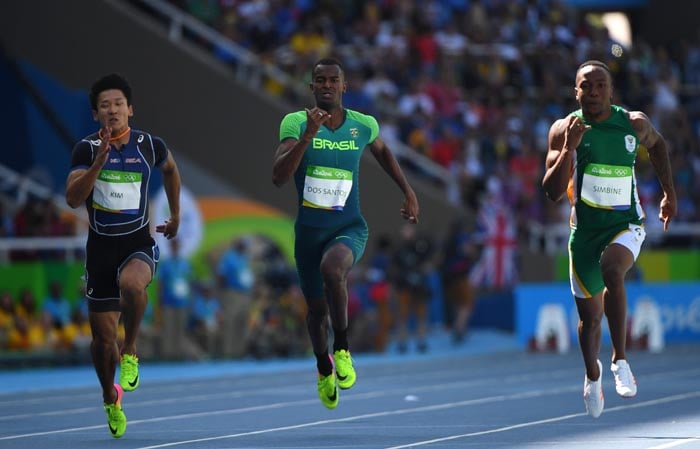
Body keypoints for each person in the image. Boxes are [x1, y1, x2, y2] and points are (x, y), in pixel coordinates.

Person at [272, 57, 419, 409]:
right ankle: (324, 366)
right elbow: (278, 176)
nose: (326, 86)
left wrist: (408, 191)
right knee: (316, 312)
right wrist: (308, 134)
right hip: (309, 233)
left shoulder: (362, 125)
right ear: (311, 87)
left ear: (343, 86)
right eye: (319, 80)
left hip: (349, 226)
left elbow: (383, 153)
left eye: (332, 80)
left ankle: (342, 349)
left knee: (333, 270)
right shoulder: (294, 122)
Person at [542, 60, 676, 418]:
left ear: (611, 90)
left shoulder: (633, 123)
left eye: (601, 85)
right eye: (587, 86)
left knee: (613, 270)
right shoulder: (563, 129)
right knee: (589, 322)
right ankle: (592, 375)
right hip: (584, 232)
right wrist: (569, 149)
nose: (594, 92)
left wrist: (669, 194)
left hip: (625, 224)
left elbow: (659, 147)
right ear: (577, 92)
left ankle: (620, 359)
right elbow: (552, 193)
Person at [65, 73, 181, 438]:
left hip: (137, 244)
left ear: (130, 109)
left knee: (133, 284)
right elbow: (72, 198)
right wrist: (99, 162)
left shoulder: (149, 145)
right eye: (104, 106)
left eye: (118, 104)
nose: (112, 110)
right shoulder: (85, 149)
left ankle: (131, 350)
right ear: (96, 114)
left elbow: (172, 170)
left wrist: (175, 215)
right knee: (101, 342)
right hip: (100, 249)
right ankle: (108, 396)